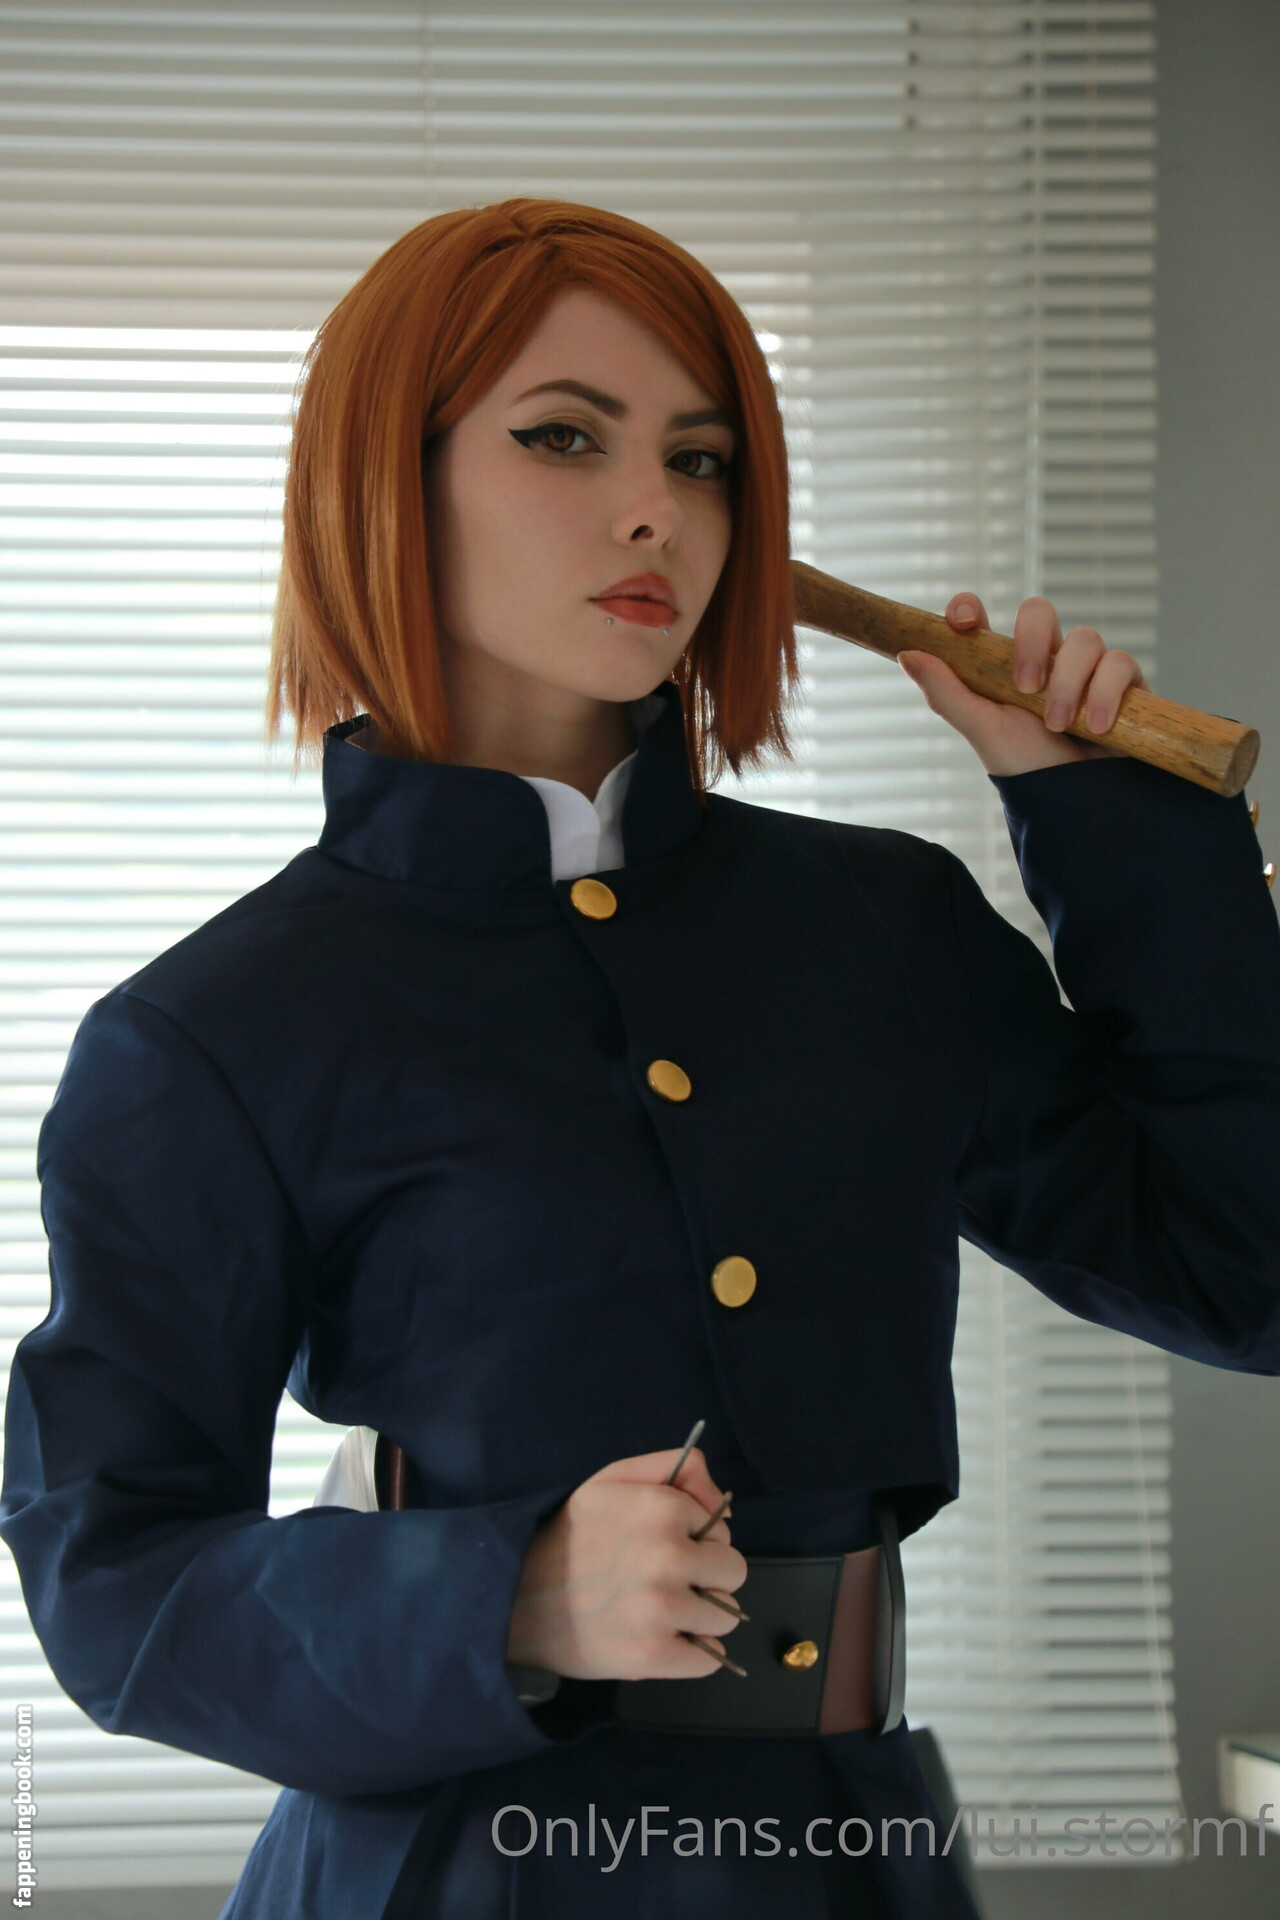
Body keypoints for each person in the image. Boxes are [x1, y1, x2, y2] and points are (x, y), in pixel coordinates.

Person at [2, 198, 1278, 1920]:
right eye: (562, 436)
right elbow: (111, 1575)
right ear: (387, 482)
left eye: (702, 460)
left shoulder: (881, 928)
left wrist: (1107, 822)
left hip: (856, 1857)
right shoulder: (213, 1029)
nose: (654, 510)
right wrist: (511, 1597)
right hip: (458, 1871)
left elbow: (1243, 1271)